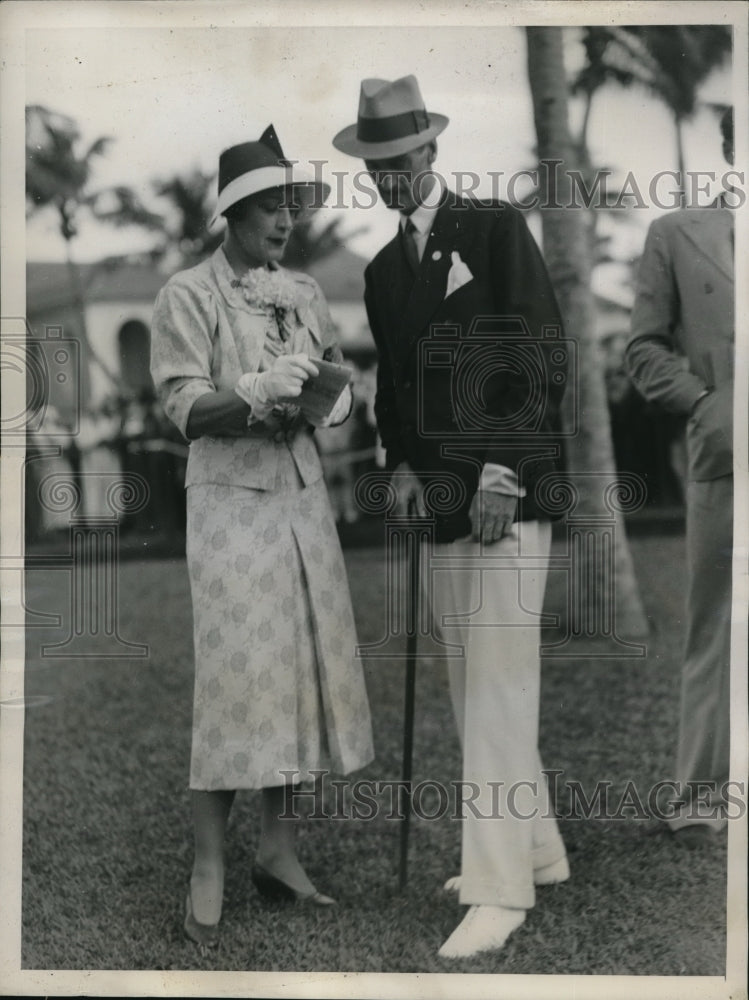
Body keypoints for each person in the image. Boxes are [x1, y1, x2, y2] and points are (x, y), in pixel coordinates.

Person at [333, 75, 569, 958]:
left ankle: (500, 891)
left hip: (506, 493)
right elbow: (393, 386)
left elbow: (538, 352)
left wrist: (504, 473)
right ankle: (535, 851)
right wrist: (394, 466)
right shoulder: (381, 271)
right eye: (377, 165)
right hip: (438, 505)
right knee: (474, 683)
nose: (392, 176)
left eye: (403, 158)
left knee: (501, 685)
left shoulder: (495, 228)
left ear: (430, 150)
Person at [150, 126, 374, 953]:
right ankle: (209, 865)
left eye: (291, 205)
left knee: (297, 673)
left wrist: (332, 400)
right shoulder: (188, 294)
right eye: (271, 206)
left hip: (301, 499)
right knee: (237, 680)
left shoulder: (305, 291)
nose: (285, 220)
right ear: (234, 213)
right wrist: (247, 391)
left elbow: (332, 379)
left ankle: (277, 852)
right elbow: (181, 407)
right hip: (229, 503)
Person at [626, 108, 735, 846]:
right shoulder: (676, 234)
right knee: (716, 623)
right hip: (726, 457)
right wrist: (704, 402)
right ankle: (699, 794)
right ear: (731, 146)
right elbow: (641, 349)